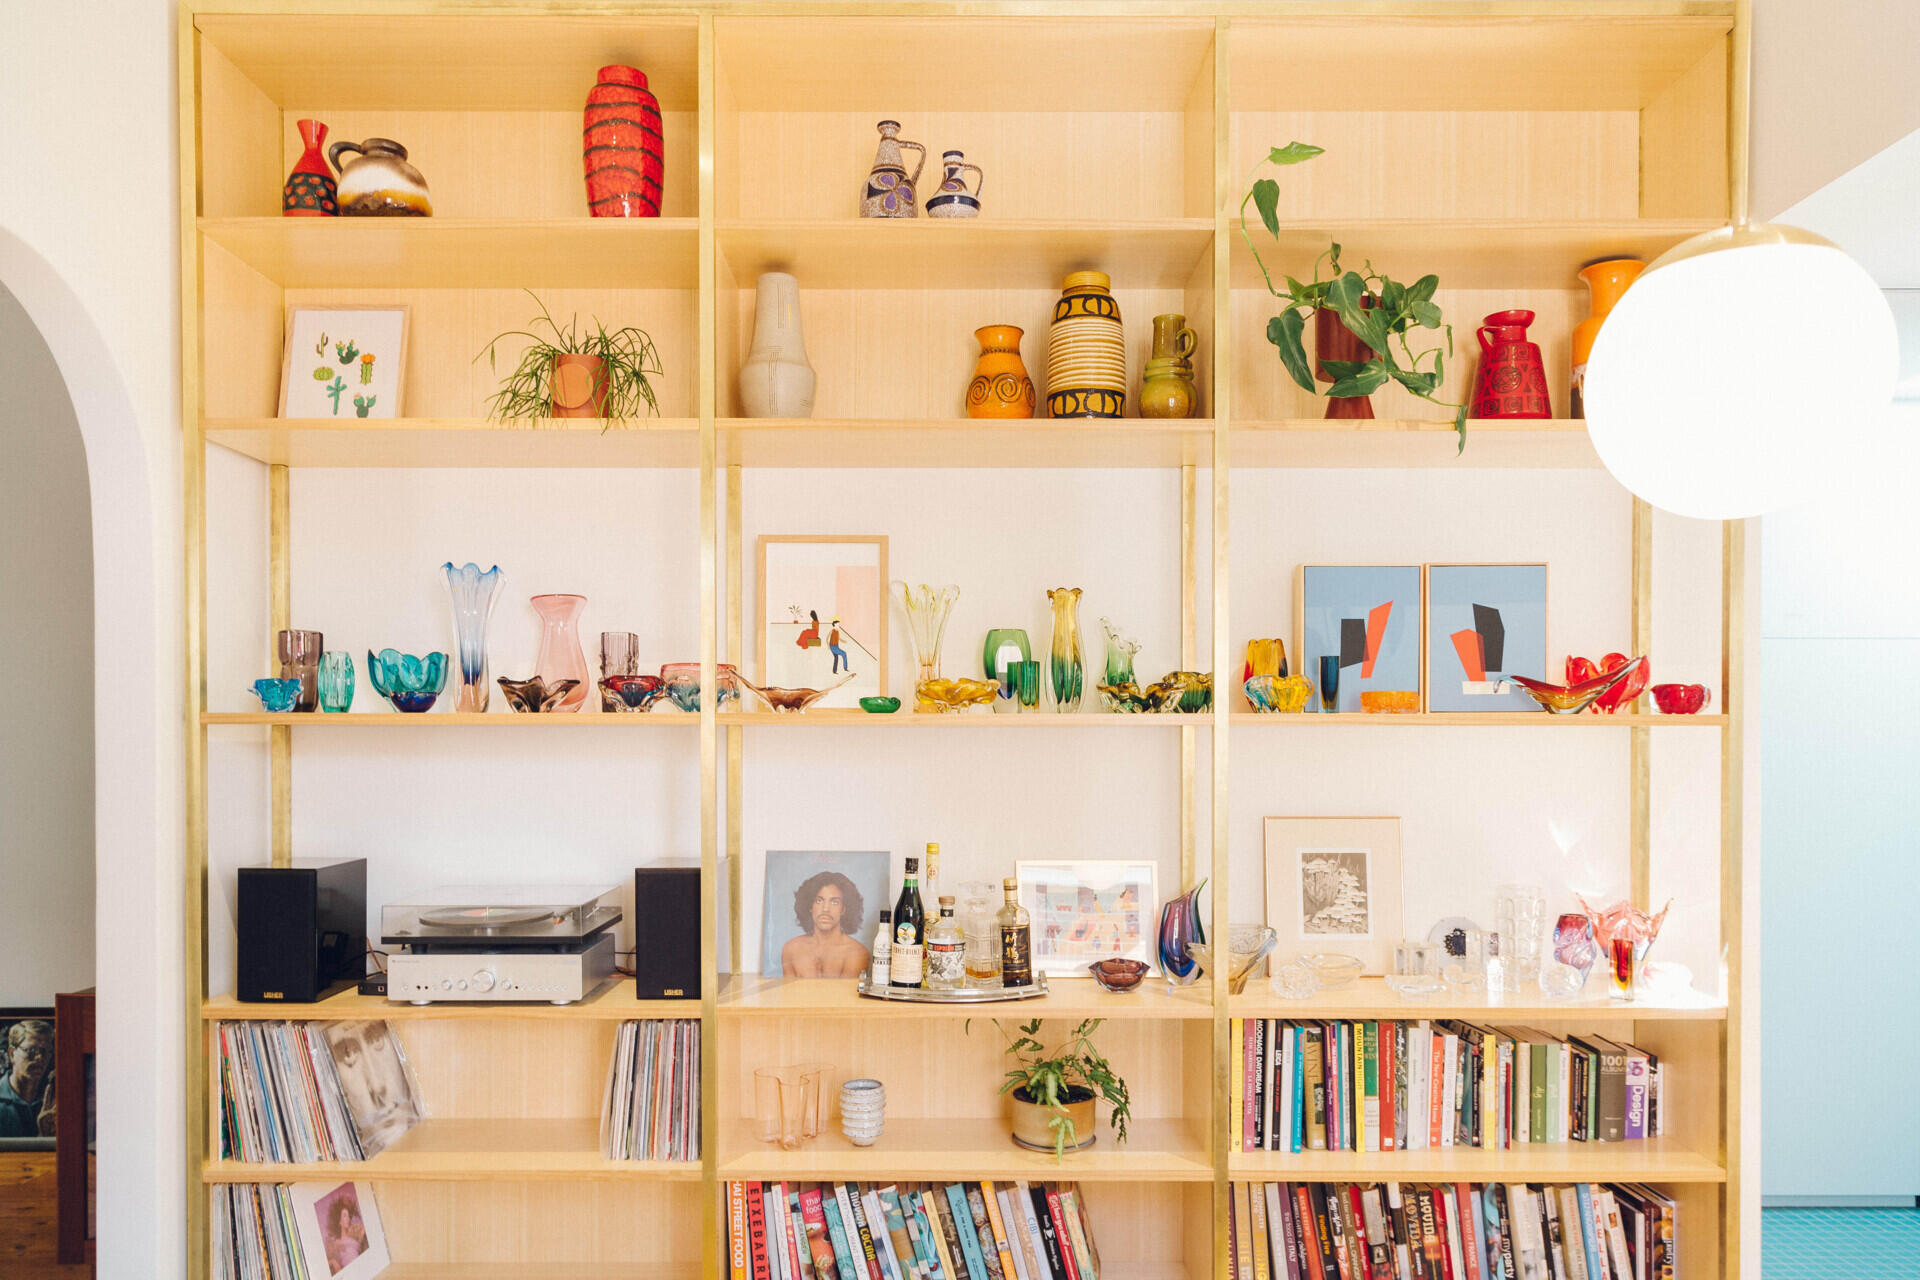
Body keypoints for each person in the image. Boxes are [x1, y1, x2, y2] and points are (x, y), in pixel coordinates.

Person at [780, 871, 871, 978]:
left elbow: (844, 995)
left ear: (843, 909)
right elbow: (789, 994)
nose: (825, 909)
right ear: (810, 907)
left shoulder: (857, 953)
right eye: (819, 901)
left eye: (834, 902)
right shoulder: (791, 949)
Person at [0, 1020, 53, 1138]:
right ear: (12, 1054)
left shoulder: (54, 1103)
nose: (40, 1058)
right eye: (31, 1050)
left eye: (45, 1052)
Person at [321, 1191, 369, 1274]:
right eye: (344, 1215)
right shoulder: (335, 1243)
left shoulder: (355, 1236)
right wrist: (333, 1262)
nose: (348, 1219)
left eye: (348, 1216)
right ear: (339, 1221)